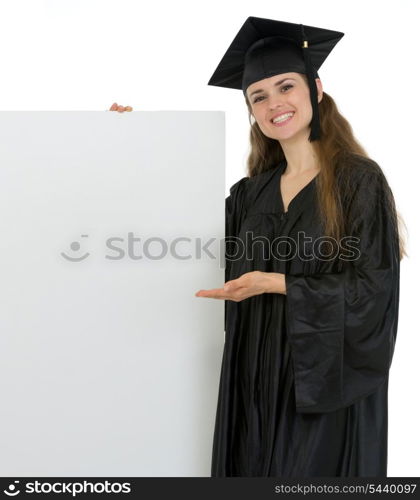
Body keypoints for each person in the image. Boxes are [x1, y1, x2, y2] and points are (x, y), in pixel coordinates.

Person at [193, 17, 405, 477]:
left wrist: (277, 282)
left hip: (321, 384)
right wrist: (128, 140)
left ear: (315, 89)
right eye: (259, 96)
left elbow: (375, 289)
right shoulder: (249, 195)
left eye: (285, 86)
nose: (275, 104)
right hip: (252, 382)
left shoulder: (356, 180)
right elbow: (178, 223)